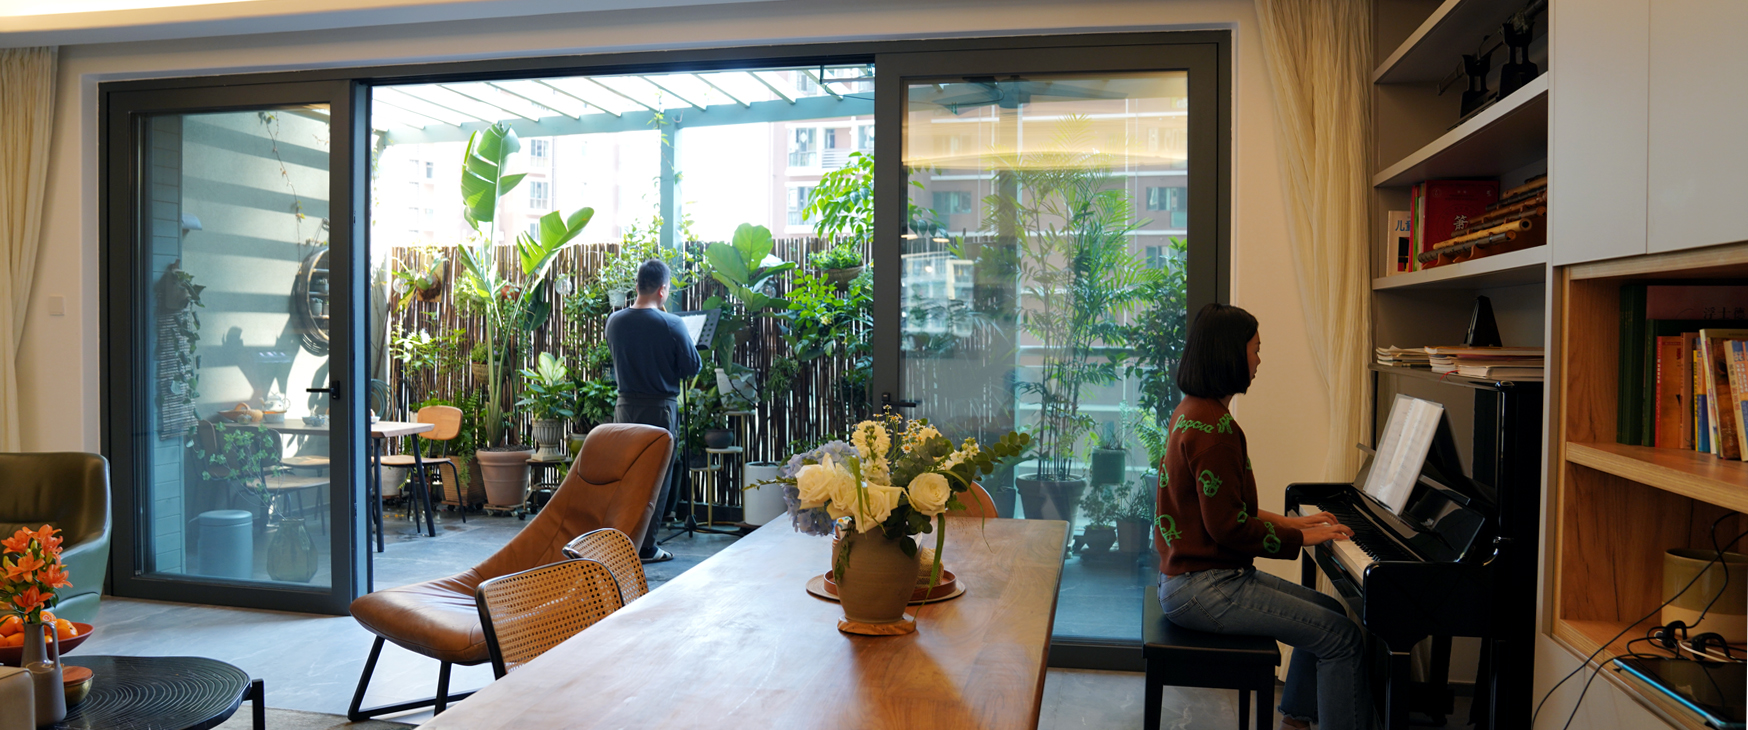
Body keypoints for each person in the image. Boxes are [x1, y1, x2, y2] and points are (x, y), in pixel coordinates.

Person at [1155, 302, 1367, 730]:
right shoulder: (1215, 431)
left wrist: (1294, 523)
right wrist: (1299, 539)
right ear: (1230, 355)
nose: (1258, 360)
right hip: (1206, 588)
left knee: (1331, 611)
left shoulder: (1194, 411)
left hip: (1193, 580)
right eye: (1255, 349)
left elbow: (1228, 511)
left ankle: (1297, 718)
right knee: (1342, 638)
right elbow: (1228, 527)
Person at [605, 259, 701, 563]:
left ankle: (621, 540)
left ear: (637, 286)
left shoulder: (614, 321)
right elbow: (692, 366)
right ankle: (646, 546)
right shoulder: (671, 324)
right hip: (659, 410)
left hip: (624, 409)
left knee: (627, 477)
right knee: (656, 480)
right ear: (663, 290)